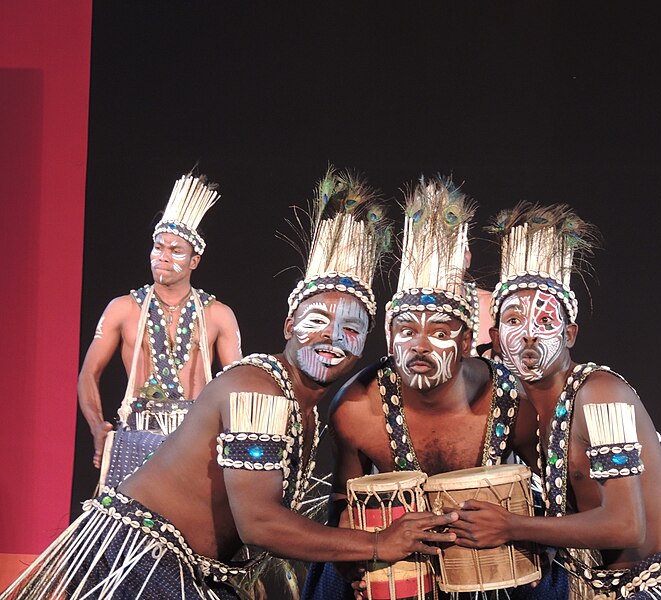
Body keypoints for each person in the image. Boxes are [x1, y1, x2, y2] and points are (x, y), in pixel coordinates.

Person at [2, 170, 456, 600]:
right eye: (317, 320)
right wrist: (377, 543)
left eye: (351, 329)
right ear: (287, 325)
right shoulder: (256, 391)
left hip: (189, 569)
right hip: (141, 562)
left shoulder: (311, 406)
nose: (332, 338)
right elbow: (259, 524)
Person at [449, 204, 661, 599]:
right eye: (514, 321)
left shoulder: (601, 394)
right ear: (496, 335)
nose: (528, 335)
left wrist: (511, 526)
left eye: (545, 322)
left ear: (569, 333)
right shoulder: (529, 412)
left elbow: (627, 526)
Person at [302, 177, 542, 600]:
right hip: (399, 560)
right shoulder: (356, 407)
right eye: (407, 330)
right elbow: (344, 503)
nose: (420, 345)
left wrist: (528, 537)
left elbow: (553, 491)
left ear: (467, 342)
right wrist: (356, 561)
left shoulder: (509, 400)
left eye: (439, 332)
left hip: (490, 561)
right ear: (389, 337)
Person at [78, 173, 242, 487]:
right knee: (125, 529)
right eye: (158, 247)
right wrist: (97, 426)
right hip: (134, 435)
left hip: (195, 438)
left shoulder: (219, 315)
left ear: (195, 260)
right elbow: (89, 373)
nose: (163, 257)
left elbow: (235, 388)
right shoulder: (122, 308)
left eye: (175, 250)